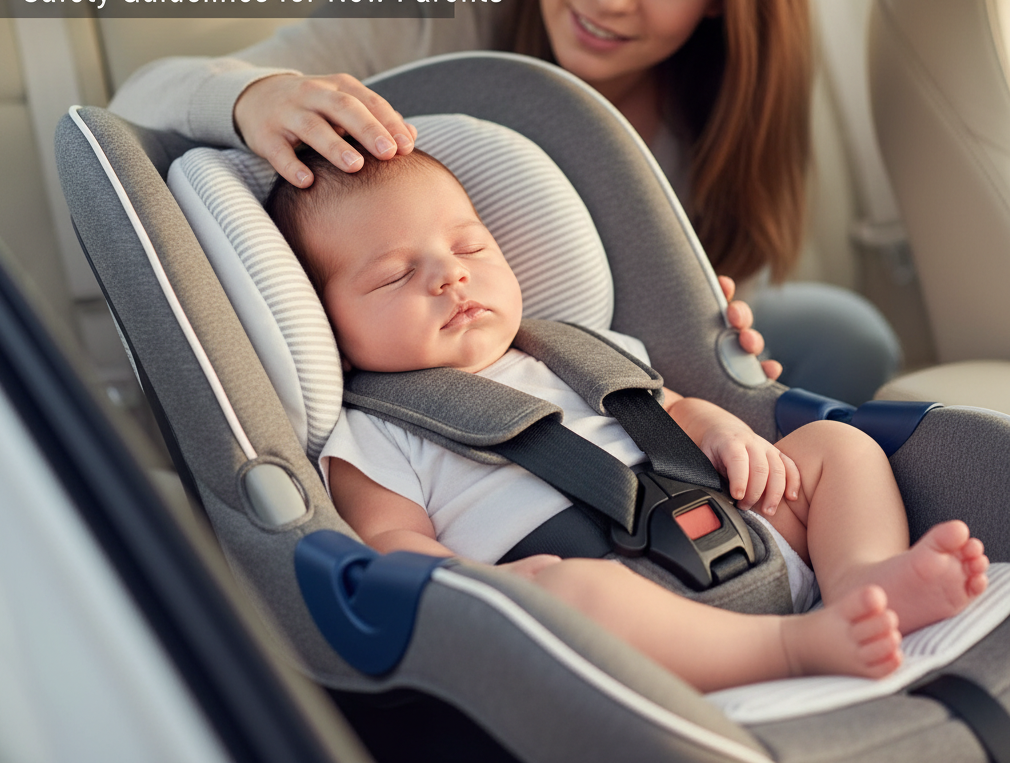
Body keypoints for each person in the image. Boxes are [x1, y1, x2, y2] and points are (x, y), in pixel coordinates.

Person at [108, 0, 899, 403]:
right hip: (425, 402)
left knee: (850, 334)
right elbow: (141, 102)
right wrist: (254, 97)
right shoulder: (430, 14)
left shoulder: (723, 106)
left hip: (615, 391)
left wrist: (715, 335)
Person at [264, 145, 988, 694]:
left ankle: (863, 580)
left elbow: (670, 410)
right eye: (394, 274)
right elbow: (390, 545)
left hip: (745, 525)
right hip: (623, 608)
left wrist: (726, 434)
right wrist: (484, 585)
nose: (449, 275)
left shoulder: (581, 349)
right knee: (573, 598)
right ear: (327, 321)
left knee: (836, 445)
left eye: (469, 246)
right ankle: (796, 648)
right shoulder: (375, 432)